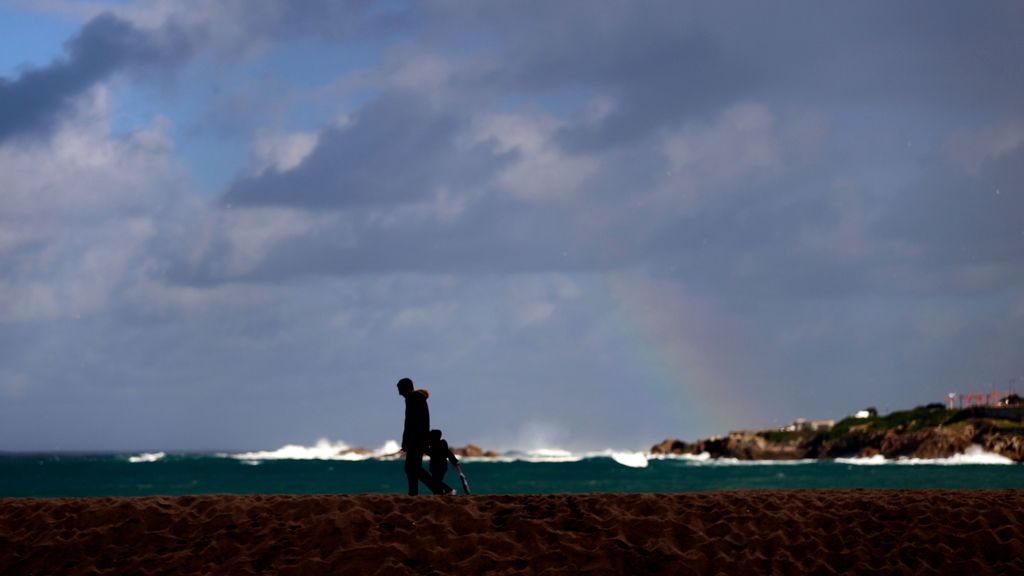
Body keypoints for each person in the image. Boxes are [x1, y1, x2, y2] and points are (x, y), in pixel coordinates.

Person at [396, 377, 439, 495]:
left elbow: (411, 423)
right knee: (412, 468)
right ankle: (414, 493)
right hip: (418, 439)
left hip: (416, 440)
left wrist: (407, 442)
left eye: (399, 387)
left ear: (406, 388)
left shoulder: (412, 399)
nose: (398, 391)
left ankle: (441, 489)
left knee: (413, 468)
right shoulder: (417, 398)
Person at [427, 429, 459, 495]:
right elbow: (449, 453)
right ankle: (440, 492)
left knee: (436, 481)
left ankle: (450, 490)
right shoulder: (441, 444)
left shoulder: (435, 445)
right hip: (442, 467)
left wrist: (454, 461)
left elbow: (429, 452)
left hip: (439, 467)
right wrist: (454, 461)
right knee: (436, 481)